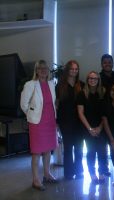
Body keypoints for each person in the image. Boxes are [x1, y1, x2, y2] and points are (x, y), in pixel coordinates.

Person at [20, 60, 57, 191]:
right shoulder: (30, 84)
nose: (43, 70)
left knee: (48, 150)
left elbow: (53, 103)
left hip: (50, 121)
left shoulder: (51, 84)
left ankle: (47, 174)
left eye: (45, 68)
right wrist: (31, 115)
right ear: (36, 70)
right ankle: (36, 179)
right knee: (36, 152)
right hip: (37, 123)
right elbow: (23, 104)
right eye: (40, 68)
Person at [77, 71, 107, 184]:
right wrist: (89, 129)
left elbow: (106, 113)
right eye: (90, 78)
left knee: (102, 152)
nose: (92, 80)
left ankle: (102, 172)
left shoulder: (103, 92)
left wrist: (100, 127)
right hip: (87, 128)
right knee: (91, 152)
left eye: (95, 78)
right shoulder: (82, 94)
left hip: (102, 127)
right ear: (87, 79)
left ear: (98, 80)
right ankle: (92, 173)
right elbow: (80, 113)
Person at [56, 60, 84, 180]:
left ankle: (78, 171)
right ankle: (68, 172)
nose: (74, 71)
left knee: (78, 147)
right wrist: (57, 122)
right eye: (72, 68)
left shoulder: (81, 85)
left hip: (79, 121)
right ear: (67, 70)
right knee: (68, 148)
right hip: (65, 121)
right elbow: (56, 105)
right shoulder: (60, 86)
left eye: (76, 69)